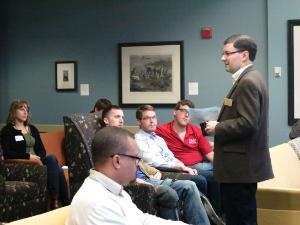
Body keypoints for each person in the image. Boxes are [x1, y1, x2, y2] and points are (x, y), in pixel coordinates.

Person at [205, 34, 274, 225]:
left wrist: (218, 126)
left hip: (239, 167)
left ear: (244, 55)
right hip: (243, 165)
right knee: (244, 217)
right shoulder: (253, 77)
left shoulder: (247, 81)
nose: (222, 58)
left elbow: (248, 123)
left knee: (240, 219)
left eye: (227, 53)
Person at [66, 126, 188, 225]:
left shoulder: (114, 190)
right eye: (136, 158)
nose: (138, 164)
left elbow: (141, 220)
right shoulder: (96, 204)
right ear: (117, 161)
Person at [135, 104, 221, 216]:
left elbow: (170, 157)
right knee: (201, 179)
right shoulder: (139, 140)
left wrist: (183, 167)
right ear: (139, 122)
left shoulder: (158, 138)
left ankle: (216, 214)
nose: (152, 121)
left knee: (215, 176)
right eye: (147, 118)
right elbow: (152, 162)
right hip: (162, 171)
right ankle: (206, 215)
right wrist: (179, 167)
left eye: (154, 117)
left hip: (179, 167)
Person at [0, 99, 69, 209]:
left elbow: (42, 150)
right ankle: (63, 204)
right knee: (58, 169)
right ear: (13, 111)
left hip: (38, 162)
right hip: (22, 164)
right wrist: (28, 157)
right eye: (22, 109)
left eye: (26, 109)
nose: (25, 112)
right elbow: (7, 153)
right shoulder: (7, 131)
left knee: (52, 160)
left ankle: (56, 201)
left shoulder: (32, 129)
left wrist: (39, 159)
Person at [136, 162, 211, 225]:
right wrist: (146, 184)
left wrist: (157, 172)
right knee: (168, 192)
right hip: (140, 182)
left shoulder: (132, 153)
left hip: (151, 178)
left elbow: (143, 165)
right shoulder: (127, 152)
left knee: (189, 185)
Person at [156, 99, 214, 172]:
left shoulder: (197, 130)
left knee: (218, 166)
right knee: (211, 175)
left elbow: (209, 153)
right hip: (178, 168)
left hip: (200, 165)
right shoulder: (161, 130)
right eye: (183, 111)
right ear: (174, 112)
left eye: (189, 113)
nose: (186, 115)